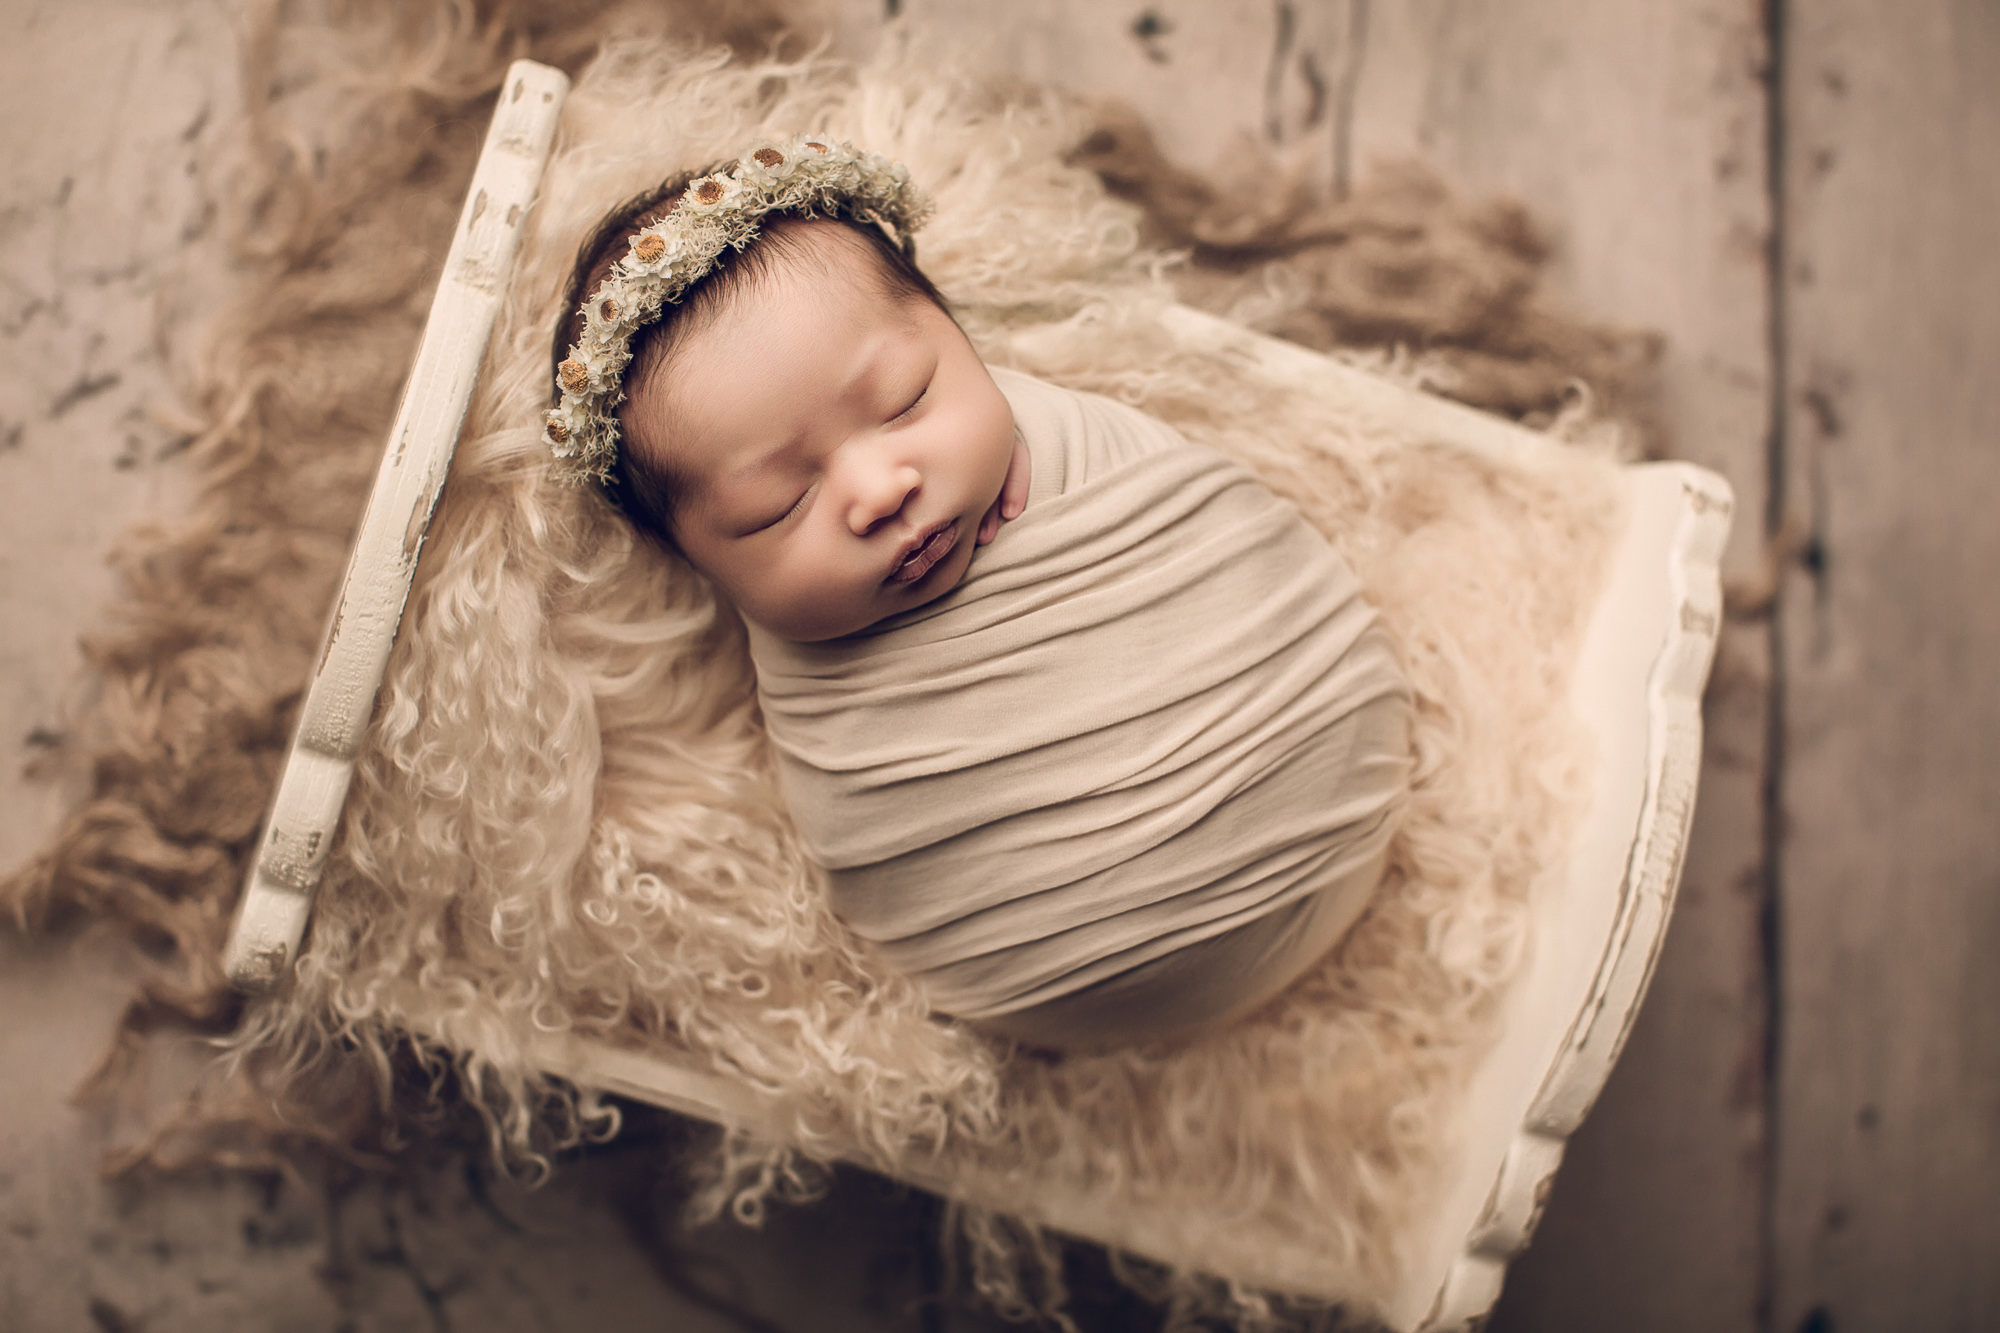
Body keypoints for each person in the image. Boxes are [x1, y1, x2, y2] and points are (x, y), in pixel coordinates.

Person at [546, 138, 1412, 1050]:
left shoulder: (1079, 445)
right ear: (700, 565)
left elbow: (1226, 551)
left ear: (958, 335)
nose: (880, 489)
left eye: (905, 399)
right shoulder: (812, 675)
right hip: (1046, 973)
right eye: (779, 504)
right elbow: (875, 818)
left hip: (1325, 770)